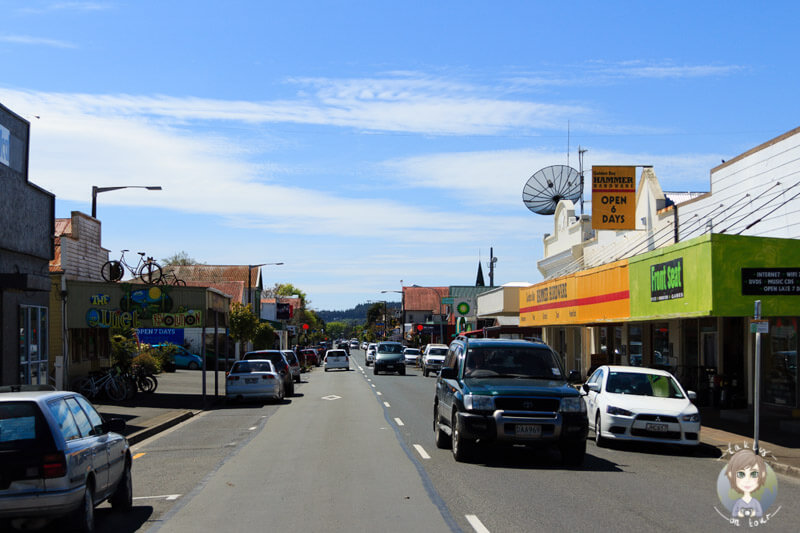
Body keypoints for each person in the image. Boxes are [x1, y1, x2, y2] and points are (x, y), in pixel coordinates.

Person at [726, 448, 767, 518]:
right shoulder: (739, 502)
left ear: (762, 475)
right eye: (741, 474)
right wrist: (739, 513)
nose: (747, 480)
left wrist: (754, 513)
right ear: (731, 475)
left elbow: (759, 512)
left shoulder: (755, 502)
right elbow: (734, 513)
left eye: (754, 474)